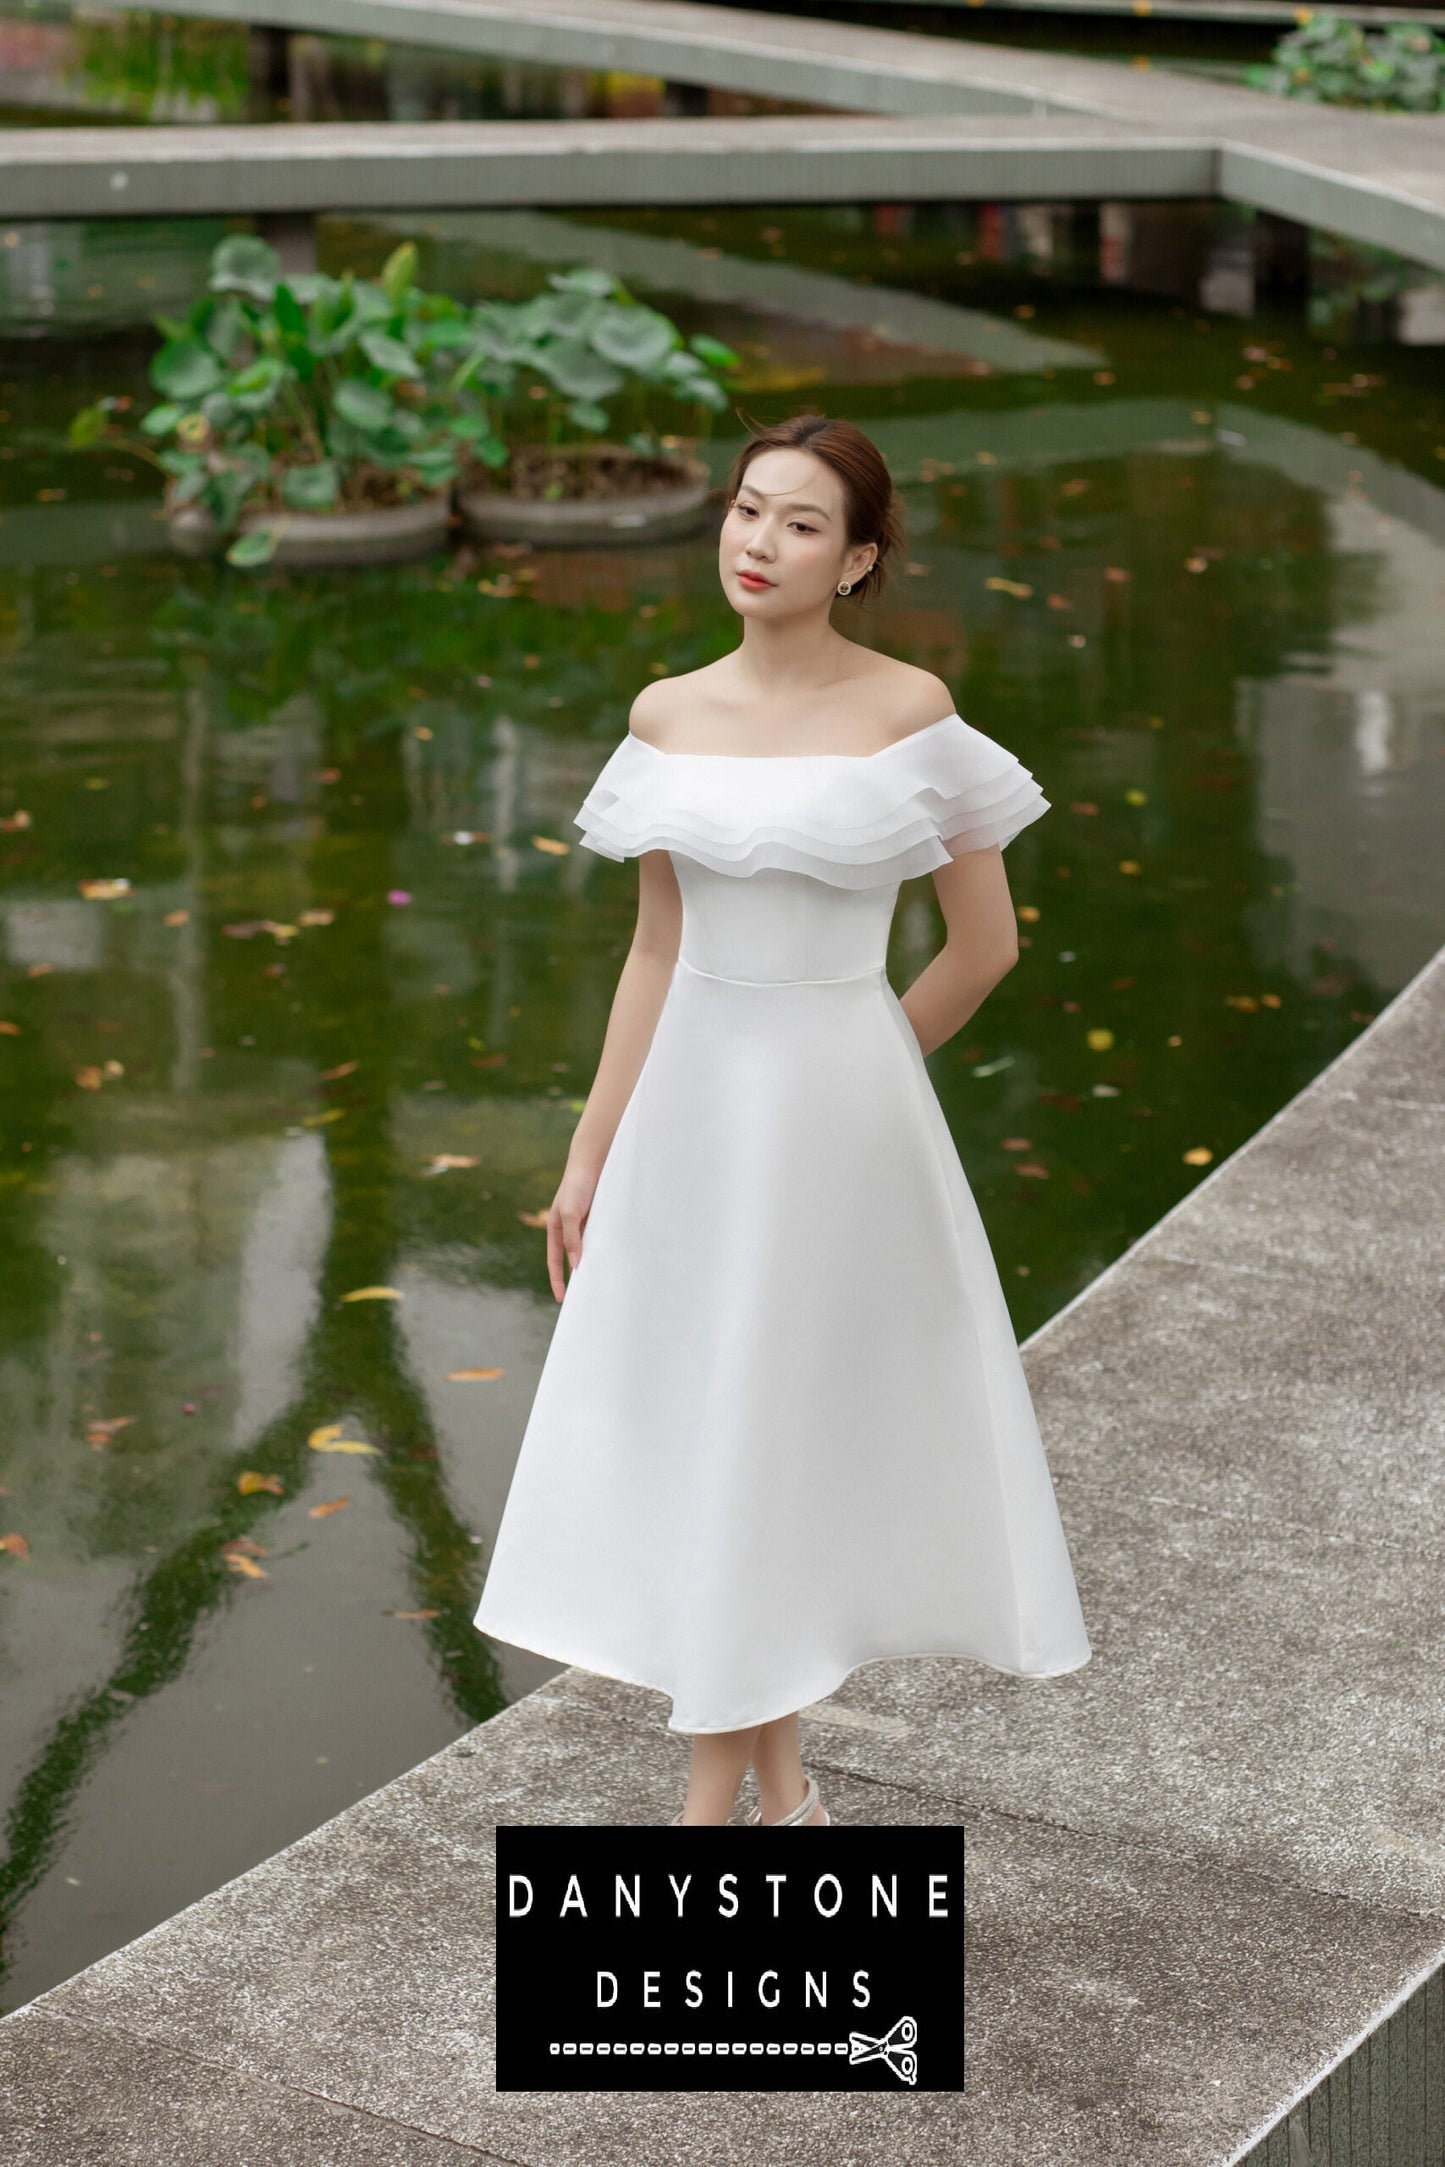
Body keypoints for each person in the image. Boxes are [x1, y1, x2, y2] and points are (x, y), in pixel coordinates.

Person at [473, 411, 1091, 1829]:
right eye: (746, 511)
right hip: (690, 1112)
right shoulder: (666, 713)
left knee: (785, 1424)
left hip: (837, 1117)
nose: (757, 542)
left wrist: (862, 1070)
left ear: (858, 557)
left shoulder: (910, 712)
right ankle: (788, 1793)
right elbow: (653, 951)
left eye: (800, 523)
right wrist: (590, 1150)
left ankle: (705, 1825)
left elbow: (980, 946)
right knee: (727, 1427)